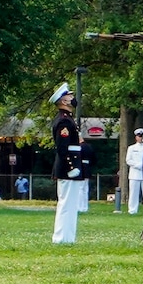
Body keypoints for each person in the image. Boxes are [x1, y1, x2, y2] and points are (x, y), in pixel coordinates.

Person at [49, 81, 82, 244]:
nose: (72, 97)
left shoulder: (67, 119)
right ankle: (61, 238)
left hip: (71, 166)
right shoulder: (63, 121)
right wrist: (71, 167)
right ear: (63, 101)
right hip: (67, 168)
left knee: (70, 204)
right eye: (69, 95)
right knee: (66, 204)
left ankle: (67, 238)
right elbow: (63, 148)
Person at [126, 127, 143, 215]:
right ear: (136, 137)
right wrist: (137, 165)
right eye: (139, 136)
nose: (140, 138)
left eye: (142, 136)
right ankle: (132, 209)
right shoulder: (131, 148)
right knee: (133, 193)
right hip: (134, 173)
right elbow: (128, 160)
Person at [78, 136, 95, 213]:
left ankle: (80, 207)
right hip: (87, 168)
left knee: (80, 189)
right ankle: (85, 207)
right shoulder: (89, 147)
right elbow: (94, 159)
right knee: (85, 189)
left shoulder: (79, 147)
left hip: (81, 168)